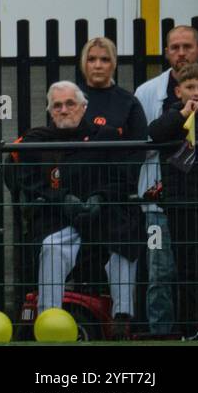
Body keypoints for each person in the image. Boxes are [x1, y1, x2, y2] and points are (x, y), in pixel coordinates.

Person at [8, 81, 138, 337]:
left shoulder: (107, 137)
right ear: (49, 110)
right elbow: (27, 181)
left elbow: (124, 178)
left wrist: (101, 198)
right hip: (59, 217)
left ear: (83, 107)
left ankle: (122, 318)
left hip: (103, 216)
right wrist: (61, 198)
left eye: (70, 104)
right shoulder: (36, 141)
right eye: (57, 105)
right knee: (52, 248)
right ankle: (48, 319)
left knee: (124, 243)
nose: (64, 110)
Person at [72, 35, 146, 338]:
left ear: (113, 63)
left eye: (104, 59)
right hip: (80, 196)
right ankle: (79, 315)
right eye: (92, 59)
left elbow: (138, 150)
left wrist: (113, 189)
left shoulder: (128, 102)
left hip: (117, 196)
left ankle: (121, 314)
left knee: (123, 246)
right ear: (84, 64)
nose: (98, 65)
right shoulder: (72, 99)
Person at [134, 24, 198, 336]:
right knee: (160, 270)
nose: (181, 53)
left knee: (194, 264)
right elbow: (149, 136)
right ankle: (162, 332)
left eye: (187, 46)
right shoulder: (148, 92)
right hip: (156, 204)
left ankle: (191, 328)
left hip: (195, 197)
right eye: (174, 47)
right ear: (166, 52)